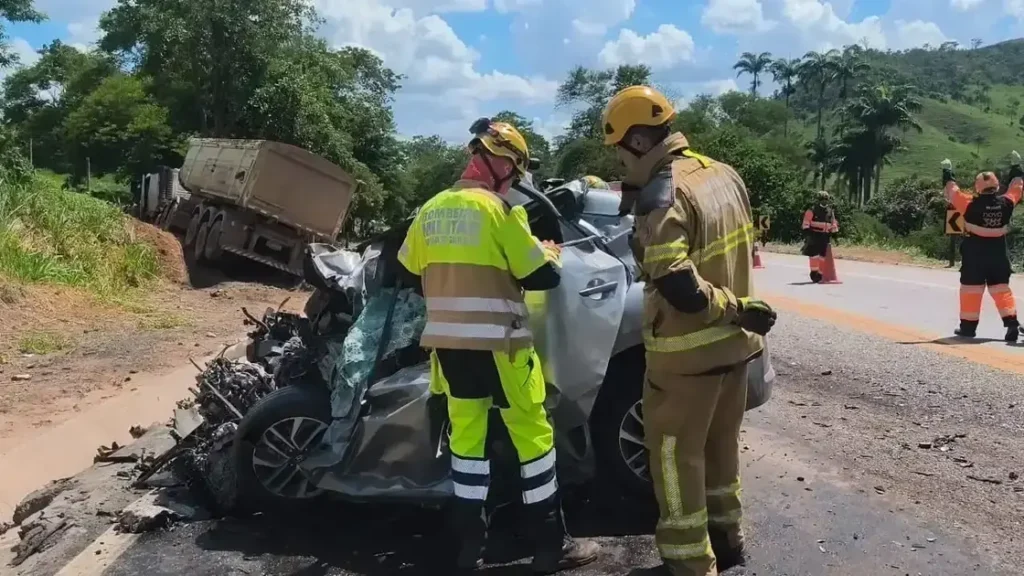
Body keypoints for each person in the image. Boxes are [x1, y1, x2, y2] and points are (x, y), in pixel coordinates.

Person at [397, 117, 601, 574]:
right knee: (534, 441)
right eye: (516, 169)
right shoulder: (501, 212)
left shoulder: (429, 210)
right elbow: (542, 276)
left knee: (468, 446)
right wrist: (549, 250)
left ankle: (468, 551)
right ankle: (552, 547)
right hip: (502, 349)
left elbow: (408, 271)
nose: (515, 179)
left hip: (450, 352)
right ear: (503, 163)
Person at [600, 85, 777, 576]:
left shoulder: (665, 192)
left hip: (686, 355)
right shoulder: (722, 174)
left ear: (637, 141)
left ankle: (689, 563)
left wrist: (731, 307)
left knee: (676, 462)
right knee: (721, 451)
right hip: (735, 353)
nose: (618, 161)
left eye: (618, 148)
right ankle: (729, 539)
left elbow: (677, 283)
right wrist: (740, 314)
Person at [942, 152, 1024, 341]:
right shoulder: (1006, 203)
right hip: (998, 252)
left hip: (975, 253)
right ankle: (1011, 323)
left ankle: (968, 328)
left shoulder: (969, 204)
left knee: (971, 290)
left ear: (977, 189)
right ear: (996, 187)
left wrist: (947, 172)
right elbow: (1016, 188)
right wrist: (1016, 167)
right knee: (1001, 289)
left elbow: (952, 192)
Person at [801, 191, 839, 283]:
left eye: (826, 199)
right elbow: (806, 224)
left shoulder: (830, 211)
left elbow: (833, 223)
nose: (824, 201)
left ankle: (820, 274)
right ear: (818, 200)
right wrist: (809, 234)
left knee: (823, 256)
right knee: (814, 255)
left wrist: (834, 231)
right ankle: (814, 272)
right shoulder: (812, 210)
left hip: (825, 236)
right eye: (822, 199)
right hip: (814, 235)